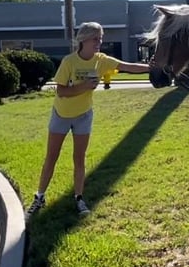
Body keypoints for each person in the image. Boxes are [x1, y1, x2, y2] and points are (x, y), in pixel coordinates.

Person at [26, 22, 151, 217]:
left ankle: (79, 198)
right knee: (52, 157)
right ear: (83, 39)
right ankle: (39, 197)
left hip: (84, 115)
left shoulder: (101, 60)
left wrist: (154, 68)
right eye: (95, 38)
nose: (99, 42)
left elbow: (128, 66)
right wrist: (83, 87)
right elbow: (60, 90)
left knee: (79, 158)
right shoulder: (69, 62)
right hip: (61, 115)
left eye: (100, 38)